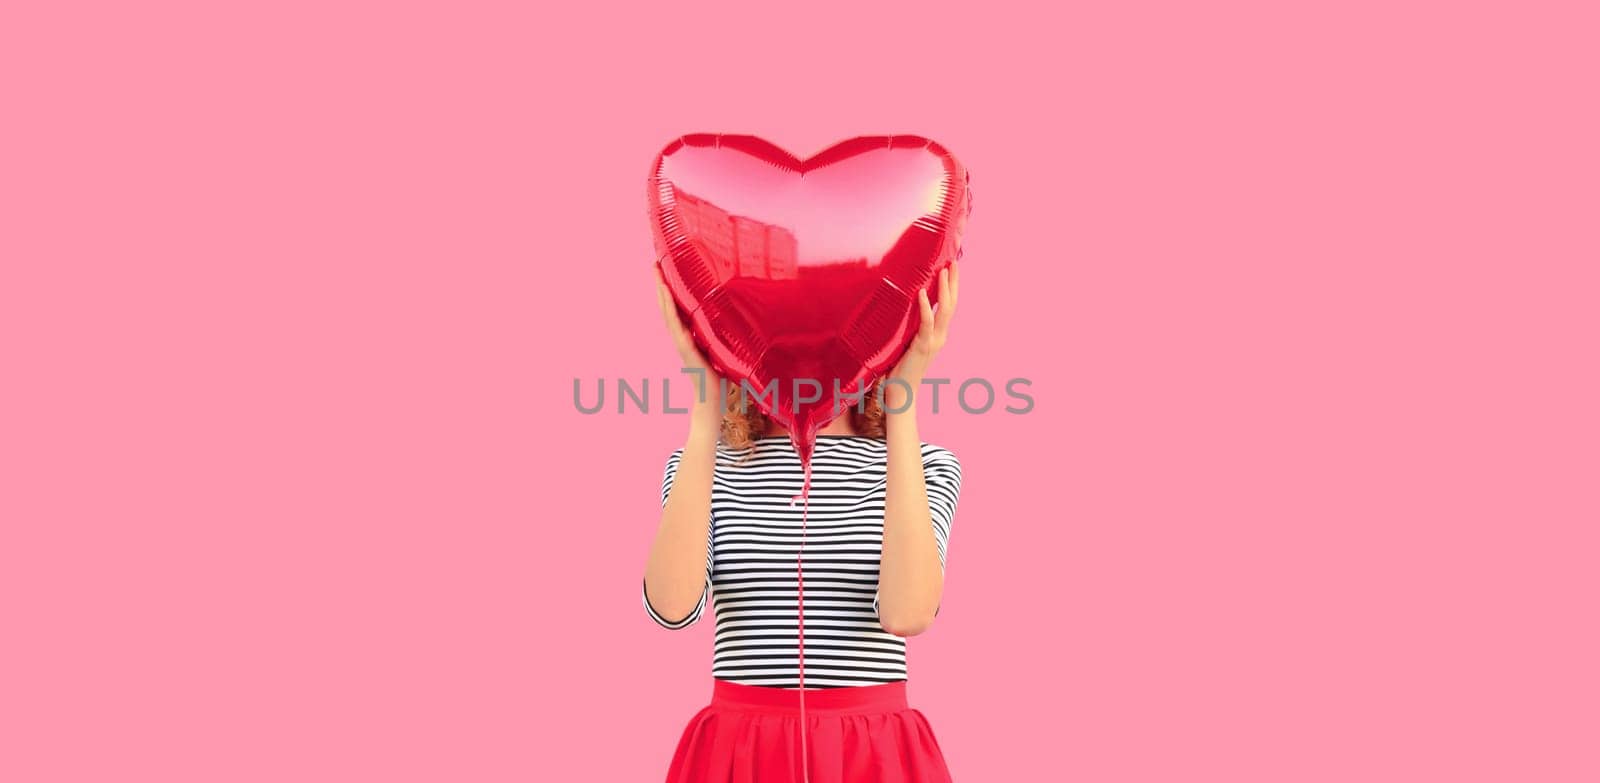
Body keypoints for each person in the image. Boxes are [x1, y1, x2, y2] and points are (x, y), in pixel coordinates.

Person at [643, 264, 964, 782]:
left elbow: (908, 613)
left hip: (873, 754)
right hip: (740, 752)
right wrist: (706, 409)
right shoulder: (705, 465)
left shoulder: (924, 465)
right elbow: (673, 608)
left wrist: (902, 402)